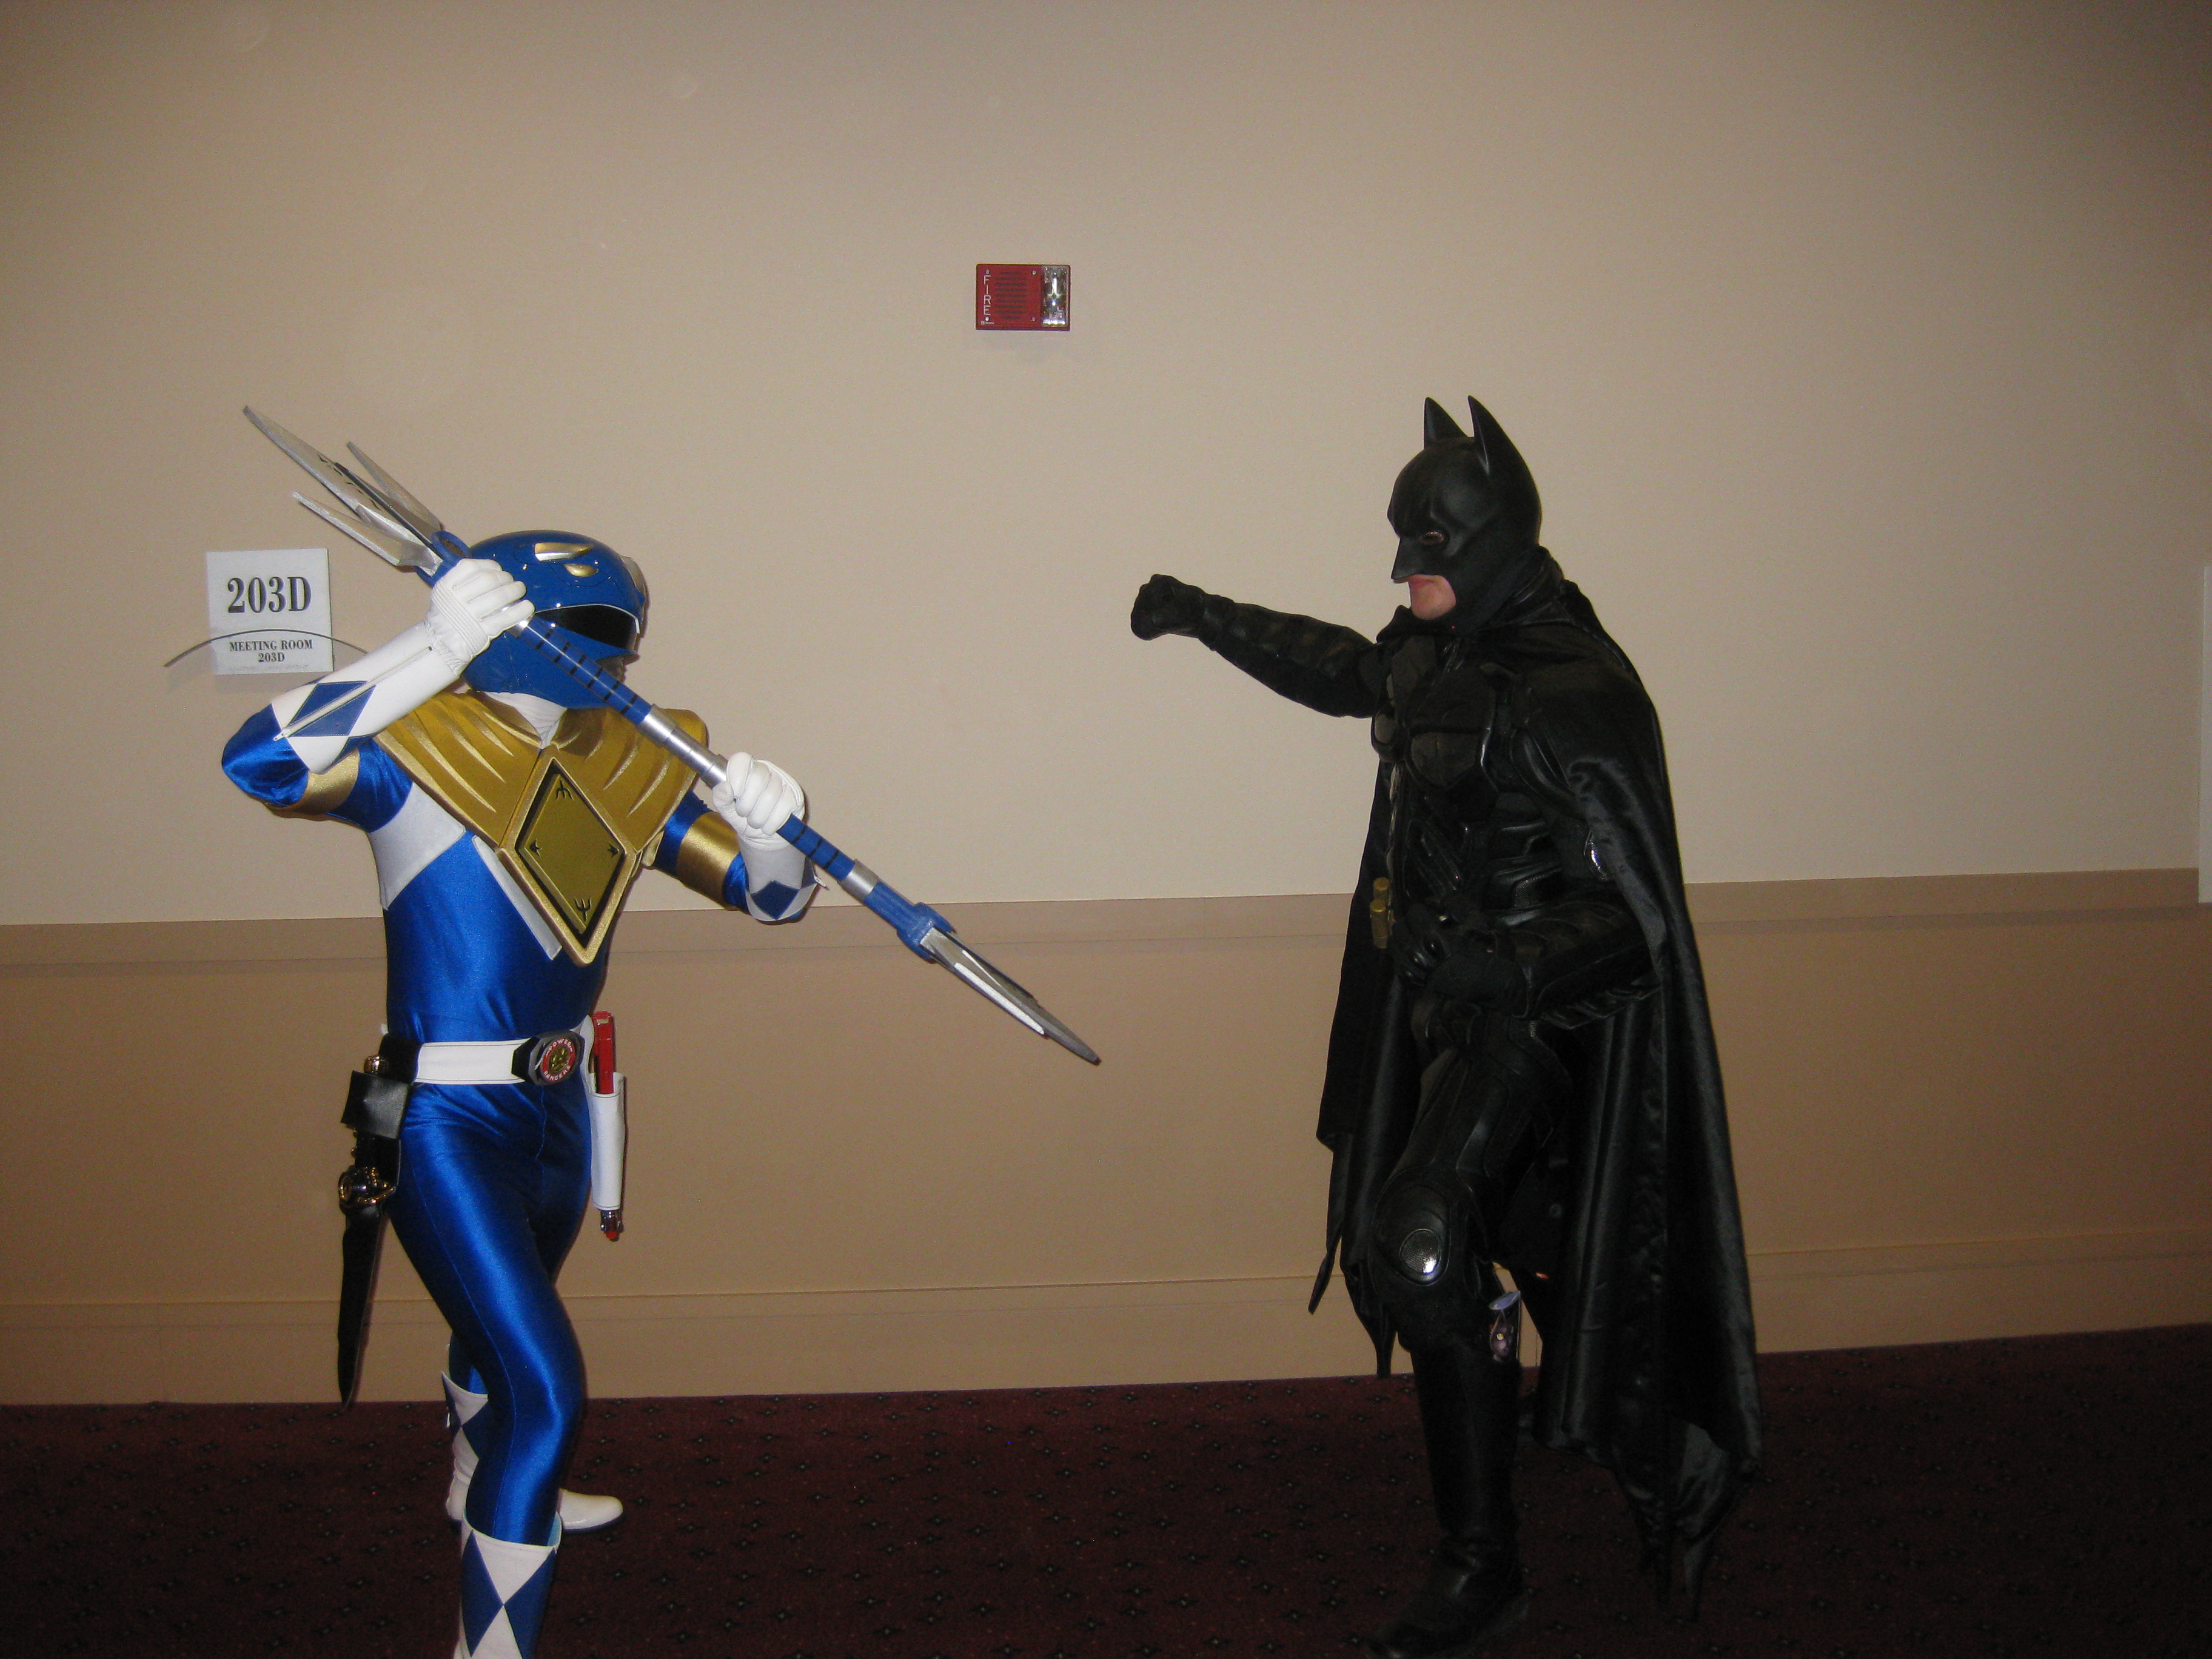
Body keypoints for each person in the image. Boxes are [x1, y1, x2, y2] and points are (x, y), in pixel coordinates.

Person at [1130, 397, 1761, 1657]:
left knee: (1422, 1235)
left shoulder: (1577, 691)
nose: (1399, 571)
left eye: (1424, 546)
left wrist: (1505, 963)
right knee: (1504, 1230)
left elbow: (1635, 920)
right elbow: (1345, 671)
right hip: (1439, 1013)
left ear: (1489, 545)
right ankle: (1568, 1402)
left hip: (1542, 1026)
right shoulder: (1437, 655)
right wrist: (1206, 614)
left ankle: (1485, 1565)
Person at [223, 533, 812, 1659]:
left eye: (616, 636)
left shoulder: (627, 764)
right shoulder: (412, 748)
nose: (608, 656)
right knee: (544, 1391)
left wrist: (769, 834)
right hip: (443, 1119)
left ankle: (475, 1480)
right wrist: (425, 649)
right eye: (583, 632)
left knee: (497, 1325)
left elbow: (771, 899)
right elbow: (261, 761)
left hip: (559, 1108)